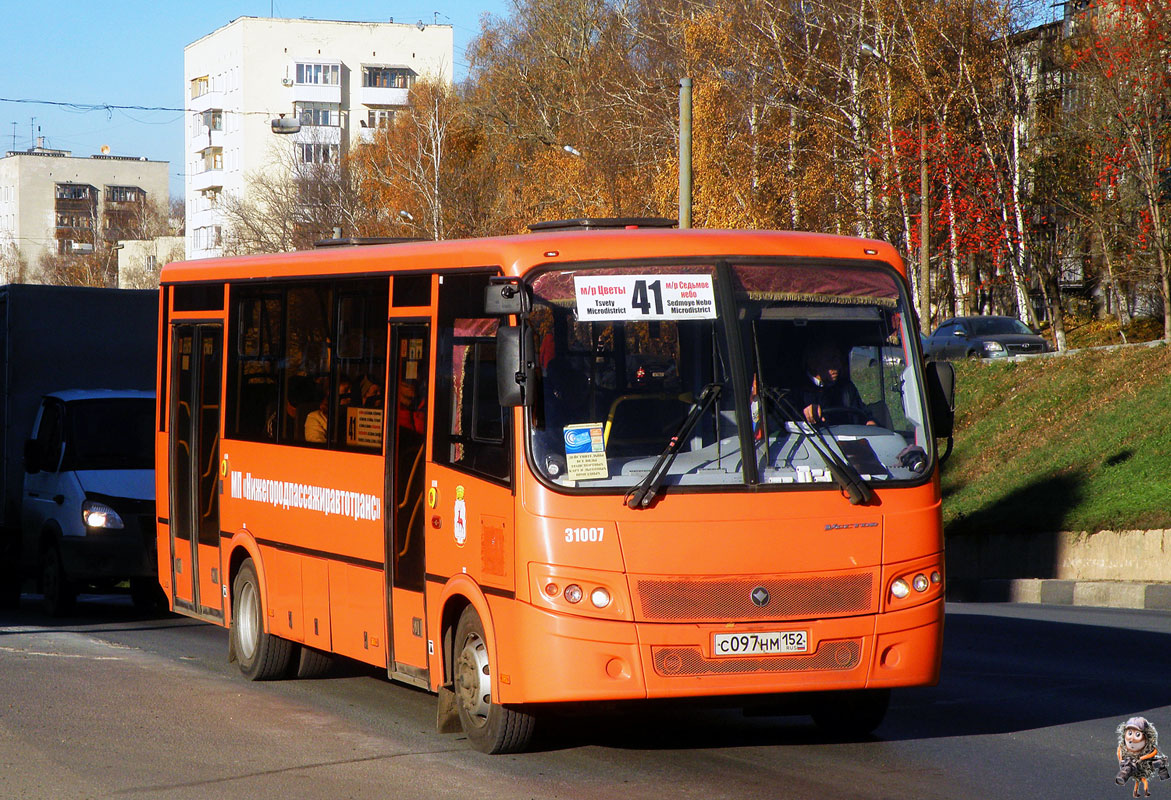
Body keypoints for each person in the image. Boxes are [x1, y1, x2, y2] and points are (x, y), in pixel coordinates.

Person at [793, 340, 873, 426]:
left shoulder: (846, 388)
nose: (838, 365)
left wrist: (871, 423)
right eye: (831, 359)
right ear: (813, 362)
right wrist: (806, 414)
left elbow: (864, 415)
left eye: (839, 359)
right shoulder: (796, 391)